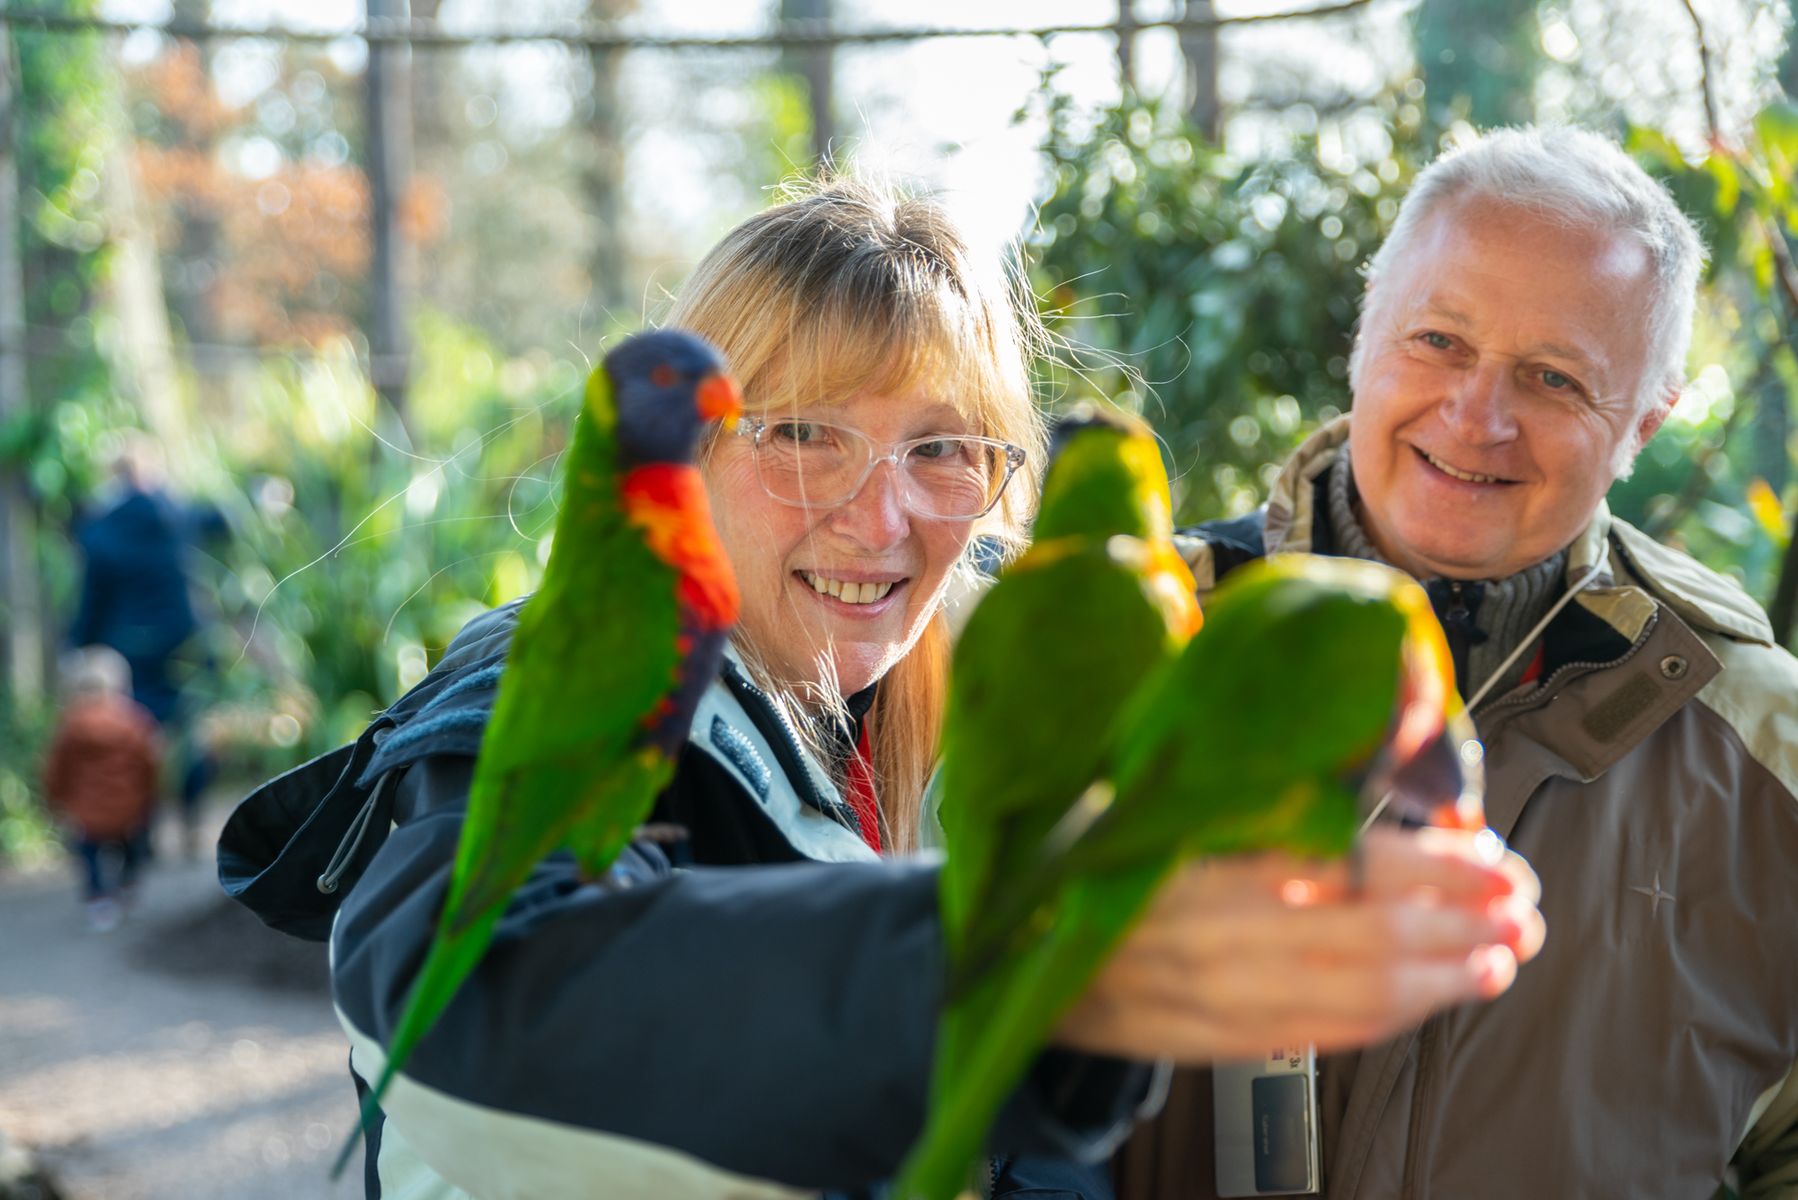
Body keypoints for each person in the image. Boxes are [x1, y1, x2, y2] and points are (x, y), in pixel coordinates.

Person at [219, 177, 1541, 1199]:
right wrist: (1012, 959)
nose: (882, 516)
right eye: (802, 436)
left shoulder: (1002, 692)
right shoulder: (551, 671)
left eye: (943, 449)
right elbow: (482, 996)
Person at [1114, 126, 1798, 1199]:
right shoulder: (1131, 643)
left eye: (1553, 378)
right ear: (1364, 328)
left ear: (1646, 422)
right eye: (1437, 340)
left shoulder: (1763, 750)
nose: (1478, 417)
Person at [70, 434, 224, 856]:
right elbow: (223, 523)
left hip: (127, 652)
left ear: (113, 475)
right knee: (189, 734)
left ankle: (143, 834)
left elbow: (91, 600)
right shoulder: (178, 515)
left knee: (131, 741)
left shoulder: (100, 530)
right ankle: (192, 820)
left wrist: (78, 644)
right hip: (185, 645)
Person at [43, 645, 162, 932]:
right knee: (131, 846)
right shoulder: (135, 721)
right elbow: (151, 762)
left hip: (86, 812)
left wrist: (56, 801)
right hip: (128, 807)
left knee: (89, 853)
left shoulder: (69, 727)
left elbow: (55, 770)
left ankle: (99, 899)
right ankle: (128, 883)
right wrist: (149, 797)